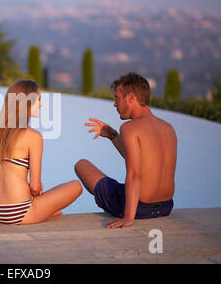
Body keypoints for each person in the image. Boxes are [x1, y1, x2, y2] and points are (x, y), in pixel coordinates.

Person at [75, 72, 177, 229]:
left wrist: (128, 217)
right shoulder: (168, 128)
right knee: (122, 185)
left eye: (117, 98)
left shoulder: (130, 128)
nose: (115, 104)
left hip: (140, 208)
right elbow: (141, 161)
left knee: (82, 165)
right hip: (165, 207)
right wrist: (113, 136)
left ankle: (127, 209)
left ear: (131, 98)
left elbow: (135, 174)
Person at [0, 79, 82, 225]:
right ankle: (45, 212)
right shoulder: (33, 137)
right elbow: (35, 188)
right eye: (39, 100)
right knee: (76, 186)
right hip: (17, 212)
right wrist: (34, 191)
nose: (41, 104)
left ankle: (44, 211)